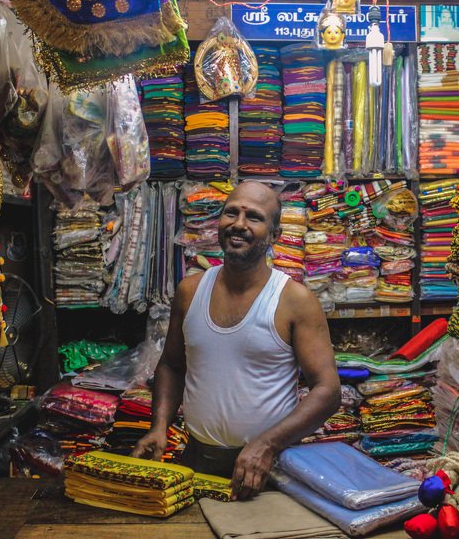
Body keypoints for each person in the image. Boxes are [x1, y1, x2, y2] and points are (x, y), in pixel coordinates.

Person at [131, 181, 341, 500]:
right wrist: (159, 427)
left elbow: (327, 391)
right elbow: (172, 366)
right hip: (198, 461)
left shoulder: (294, 300)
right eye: (231, 213)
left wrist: (267, 444)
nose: (238, 224)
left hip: (270, 467)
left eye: (254, 217)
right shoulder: (190, 291)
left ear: (275, 235)